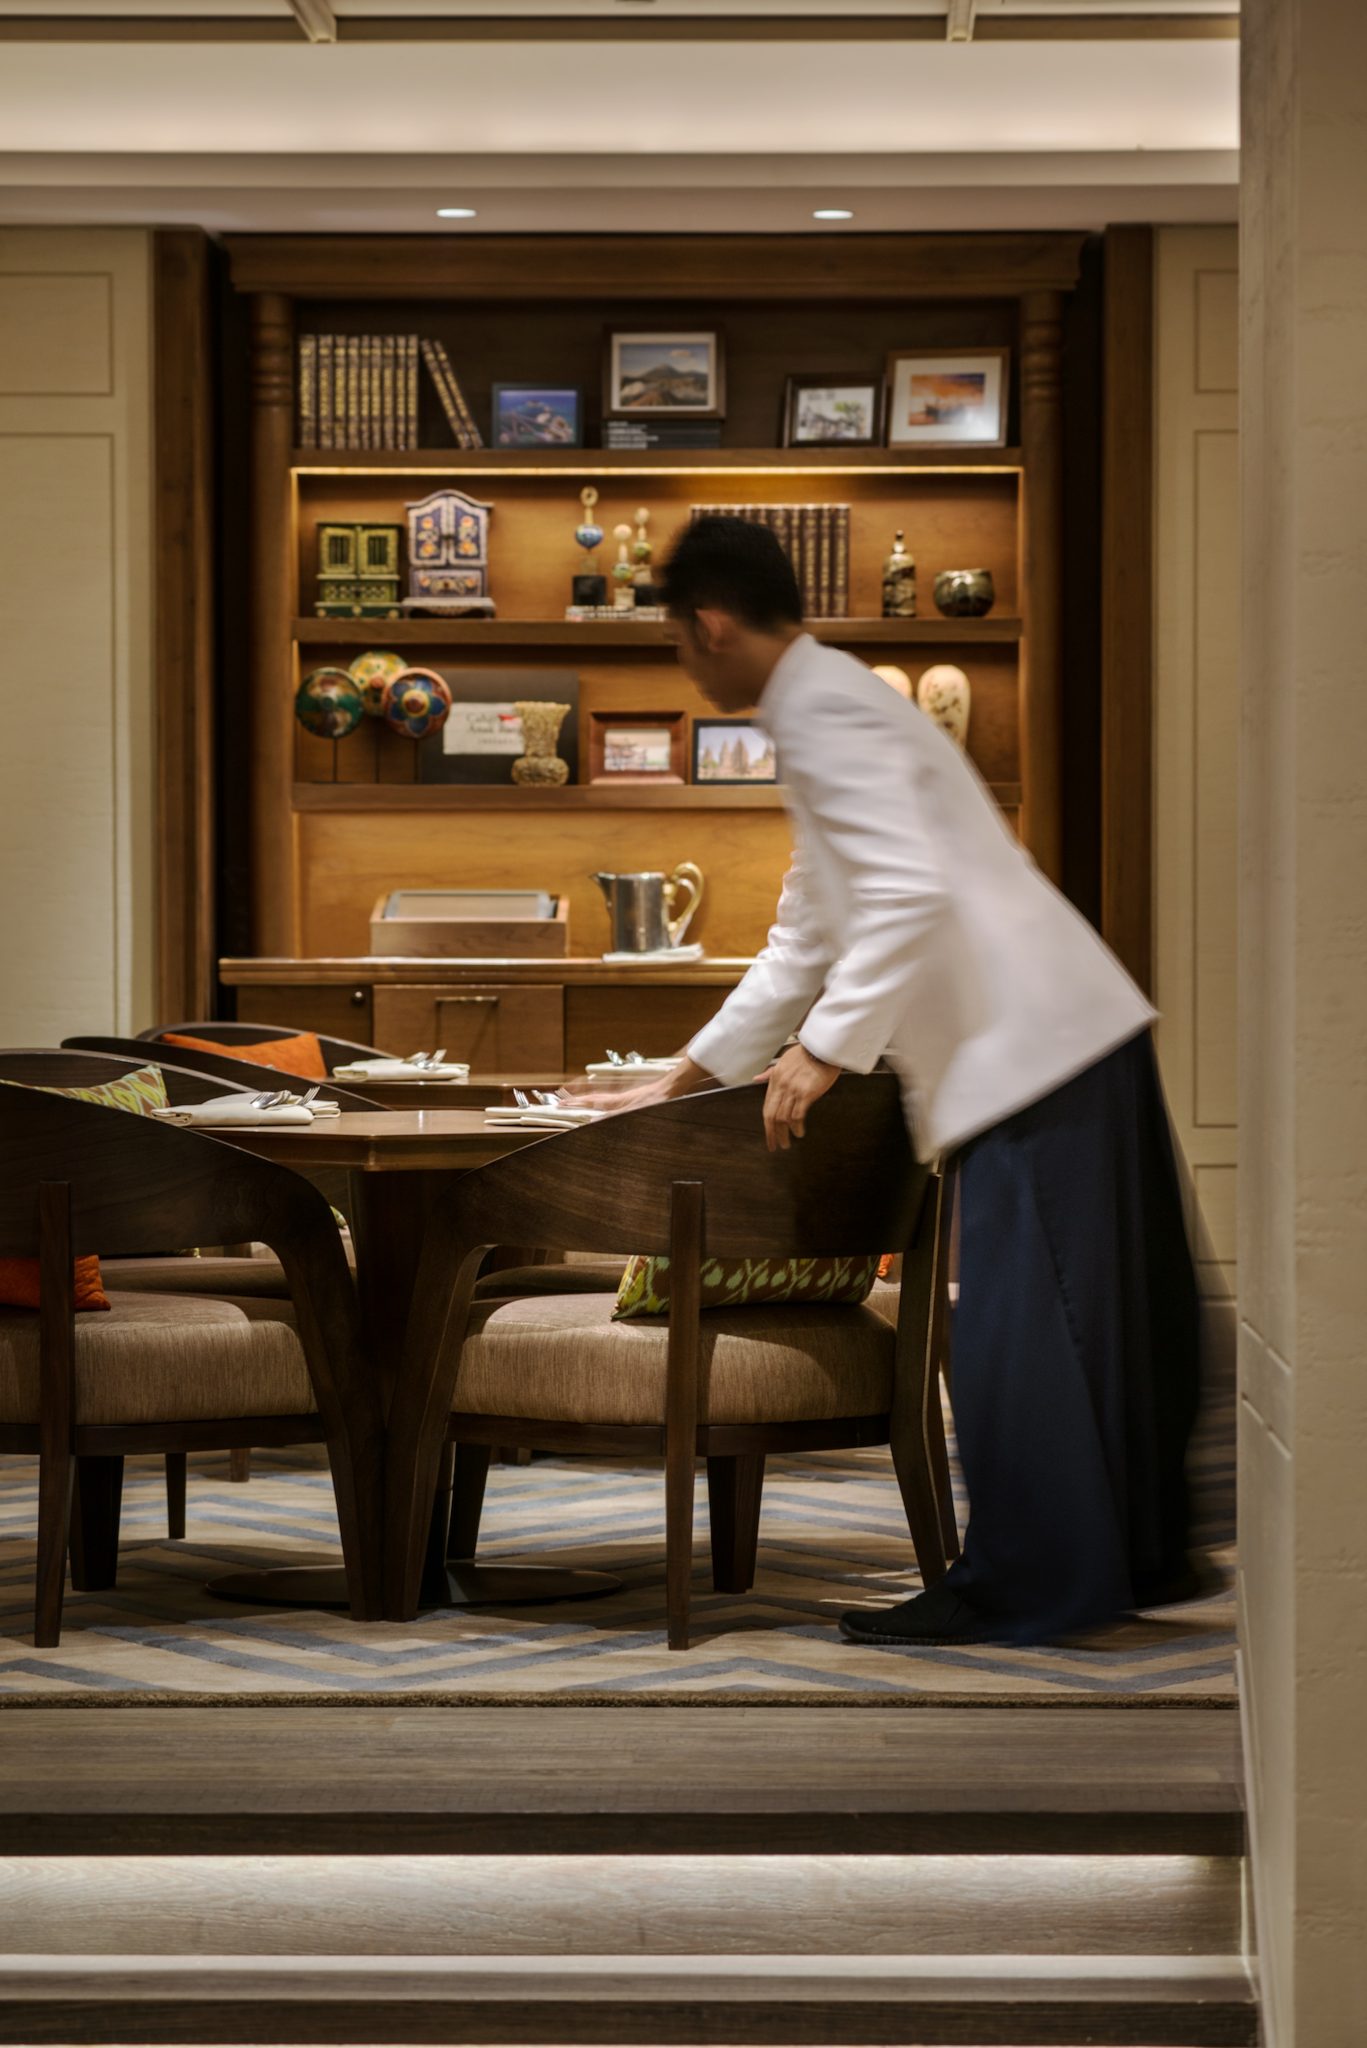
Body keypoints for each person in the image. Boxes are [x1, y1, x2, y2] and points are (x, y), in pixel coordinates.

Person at [583, 515, 1202, 1647]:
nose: (680, 654)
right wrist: (683, 1072)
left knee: (1023, 1336)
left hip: (1034, 1050)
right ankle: (1123, 1559)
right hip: (1059, 1036)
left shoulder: (824, 713)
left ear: (708, 623)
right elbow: (808, 931)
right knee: (1082, 1325)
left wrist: (824, 1049)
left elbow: (907, 892)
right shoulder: (830, 703)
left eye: (675, 635)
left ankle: (1030, 1586)